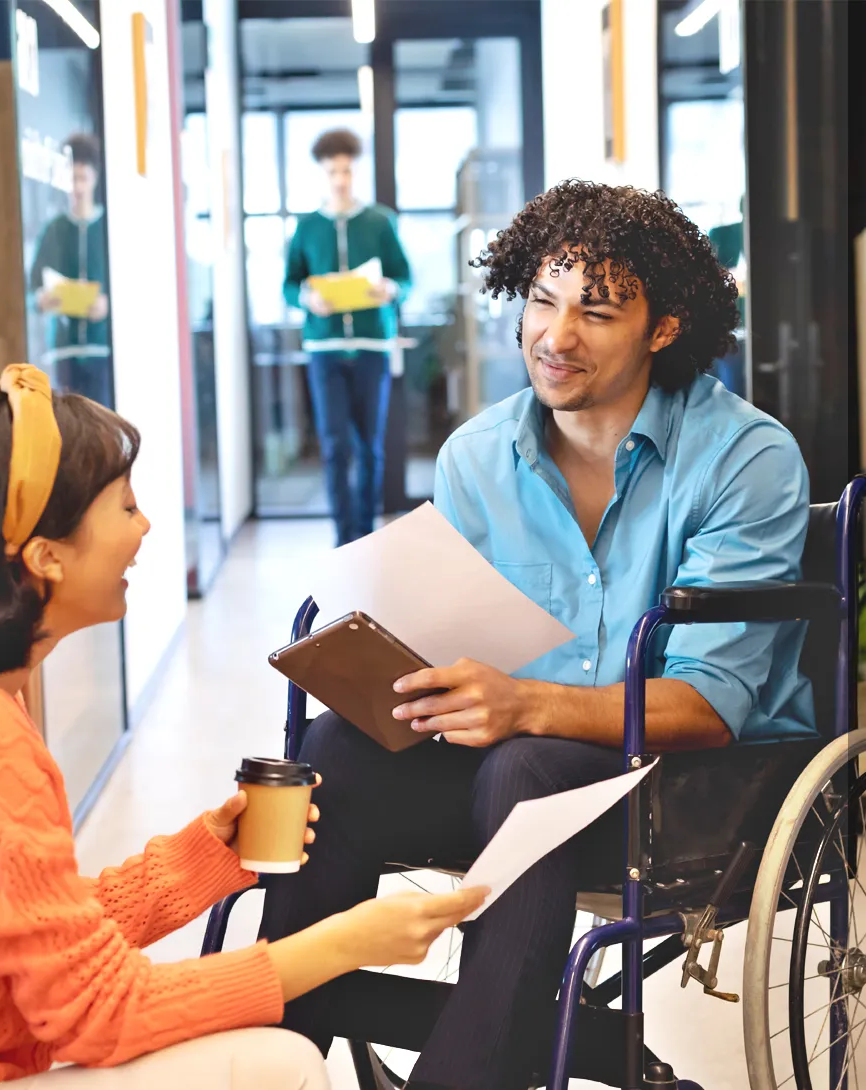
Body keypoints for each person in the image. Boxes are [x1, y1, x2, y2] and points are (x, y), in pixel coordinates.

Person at [260, 181, 817, 1090]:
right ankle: (274, 1055)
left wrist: (523, 705)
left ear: (664, 327)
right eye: (542, 302)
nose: (555, 338)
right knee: (337, 750)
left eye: (596, 312)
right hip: (508, 773)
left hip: (688, 784)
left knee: (528, 766)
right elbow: (450, 643)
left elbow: (710, 706)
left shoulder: (745, 460)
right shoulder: (477, 457)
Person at [0, 364, 487, 1089]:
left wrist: (201, 857)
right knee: (282, 1062)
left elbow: (40, 929)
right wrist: (342, 944)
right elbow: (101, 1012)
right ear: (45, 557)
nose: (147, 526)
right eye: (125, 507)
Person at [284, 128, 412, 546]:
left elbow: (405, 278)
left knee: (371, 446)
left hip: (373, 346)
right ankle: (343, 538)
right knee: (335, 444)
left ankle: (365, 535)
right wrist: (306, 297)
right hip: (324, 348)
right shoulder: (306, 228)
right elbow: (289, 284)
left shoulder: (380, 221)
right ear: (322, 173)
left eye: (347, 170)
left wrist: (388, 291)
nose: (340, 179)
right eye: (333, 171)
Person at [30, 133, 113, 407]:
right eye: (72, 179)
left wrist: (107, 306)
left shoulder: (107, 229)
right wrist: (43, 300)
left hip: (102, 351)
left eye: (83, 179)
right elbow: (32, 292)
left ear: (95, 178)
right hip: (63, 354)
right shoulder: (54, 230)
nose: (77, 188)